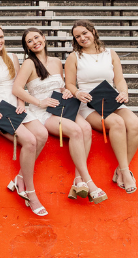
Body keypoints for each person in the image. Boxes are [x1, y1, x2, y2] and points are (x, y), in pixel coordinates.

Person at [13, 28, 107, 204]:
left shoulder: (56, 61)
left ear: (44, 37)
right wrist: (39, 102)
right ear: (27, 47)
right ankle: (89, 182)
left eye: (36, 37)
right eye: (29, 41)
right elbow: (17, 89)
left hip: (63, 107)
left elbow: (61, 86)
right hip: (44, 111)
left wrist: (65, 92)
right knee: (75, 131)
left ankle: (78, 180)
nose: (35, 42)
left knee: (85, 127)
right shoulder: (29, 63)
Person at [0, 23, 49, 217]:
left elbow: (18, 85)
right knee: (30, 141)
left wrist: (21, 102)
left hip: (16, 104)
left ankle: (20, 178)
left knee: (42, 134)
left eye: (1, 37)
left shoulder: (13, 58)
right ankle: (30, 193)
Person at [64, 19, 138, 194]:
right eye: (77, 36)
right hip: (89, 104)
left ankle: (121, 169)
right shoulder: (74, 57)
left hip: (111, 99)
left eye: (85, 33)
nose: (82, 38)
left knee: (135, 124)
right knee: (117, 123)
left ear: (93, 31)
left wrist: (123, 92)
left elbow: (119, 80)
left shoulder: (110, 53)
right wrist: (77, 93)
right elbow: (69, 83)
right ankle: (125, 172)